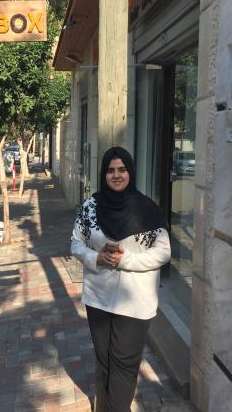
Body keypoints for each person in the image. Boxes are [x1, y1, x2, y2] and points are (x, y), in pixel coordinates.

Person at [71, 146, 171, 412]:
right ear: (104, 174)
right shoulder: (90, 208)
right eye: (110, 170)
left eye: (122, 170)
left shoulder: (147, 210)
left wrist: (125, 261)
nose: (116, 175)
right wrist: (95, 258)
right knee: (104, 360)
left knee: (123, 365)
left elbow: (163, 252)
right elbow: (75, 243)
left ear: (131, 172)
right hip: (99, 299)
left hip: (135, 303)